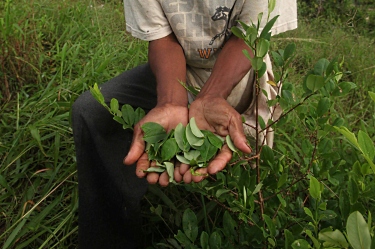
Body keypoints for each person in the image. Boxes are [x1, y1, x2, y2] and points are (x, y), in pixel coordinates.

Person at [72, 0, 297, 248]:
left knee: (249, 172)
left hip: (239, 71)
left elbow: (247, 37)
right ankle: (110, 237)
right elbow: (163, 39)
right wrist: (171, 102)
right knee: (91, 112)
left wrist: (211, 96)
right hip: (178, 69)